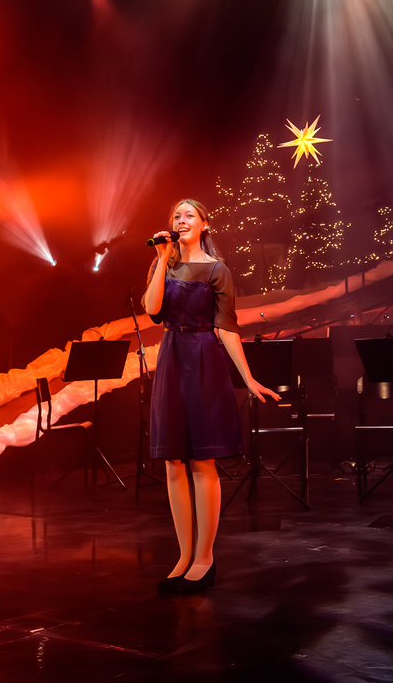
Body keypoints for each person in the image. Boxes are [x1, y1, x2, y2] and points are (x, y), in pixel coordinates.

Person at [143, 198, 280, 594]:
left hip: (203, 358)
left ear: (204, 224)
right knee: (173, 460)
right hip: (171, 356)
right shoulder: (163, 263)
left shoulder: (218, 270)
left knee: (202, 460)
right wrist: (161, 258)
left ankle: (204, 558)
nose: (181, 219)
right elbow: (153, 310)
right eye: (176, 215)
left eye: (189, 215)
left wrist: (248, 378)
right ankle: (183, 556)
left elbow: (227, 327)